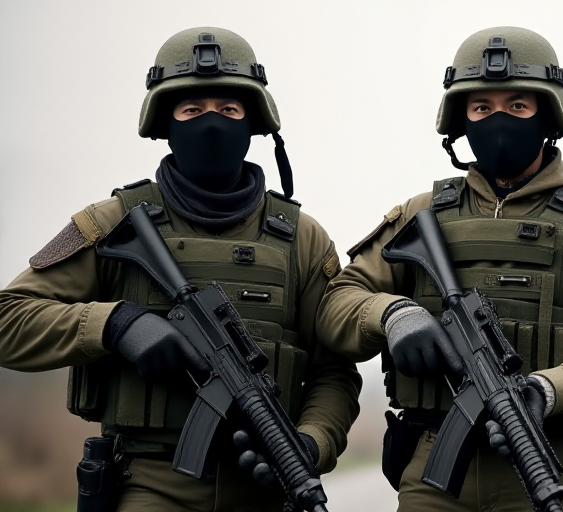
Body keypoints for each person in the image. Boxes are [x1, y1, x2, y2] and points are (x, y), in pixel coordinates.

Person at [0, 27, 361, 510]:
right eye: (191, 110)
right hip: (149, 486)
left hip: (267, 487)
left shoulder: (303, 238)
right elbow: (9, 318)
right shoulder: (111, 224)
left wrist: (312, 441)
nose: (211, 122)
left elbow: (334, 368)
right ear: (163, 122)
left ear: (253, 122)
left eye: (229, 109)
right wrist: (115, 324)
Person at [316, 26, 563, 512]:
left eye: (517, 106)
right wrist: (392, 315)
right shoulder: (420, 215)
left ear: (548, 114)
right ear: (461, 119)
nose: (498, 120)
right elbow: (336, 306)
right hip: (436, 470)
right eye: (482, 108)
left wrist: (550, 388)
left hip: (555, 460)